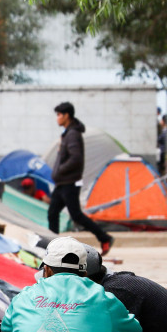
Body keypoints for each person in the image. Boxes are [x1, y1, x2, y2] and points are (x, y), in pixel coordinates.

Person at [0, 237, 142, 332]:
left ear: (46, 270)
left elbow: (7, 331)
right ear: (85, 273)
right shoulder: (104, 299)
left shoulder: (24, 297)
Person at [48, 101, 114, 254]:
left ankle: (104, 237)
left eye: (59, 115)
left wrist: (60, 172)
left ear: (67, 116)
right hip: (63, 182)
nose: (57, 118)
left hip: (69, 182)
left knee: (75, 215)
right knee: (52, 212)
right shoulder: (67, 133)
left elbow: (75, 158)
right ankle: (52, 247)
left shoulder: (72, 135)